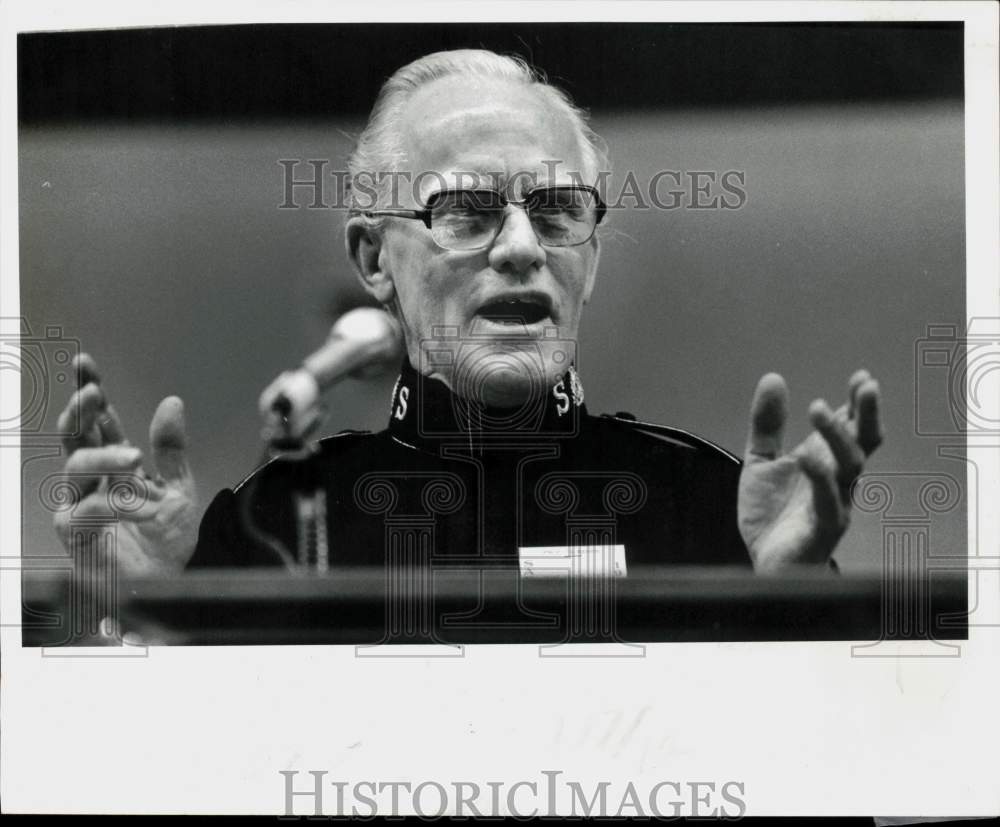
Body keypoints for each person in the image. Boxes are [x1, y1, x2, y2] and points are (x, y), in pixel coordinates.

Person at [53, 49, 882, 577]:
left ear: (588, 258)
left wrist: (795, 603)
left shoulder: (714, 512)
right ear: (375, 260)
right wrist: (146, 617)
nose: (522, 247)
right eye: (466, 209)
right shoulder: (273, 523)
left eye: (558, 209)